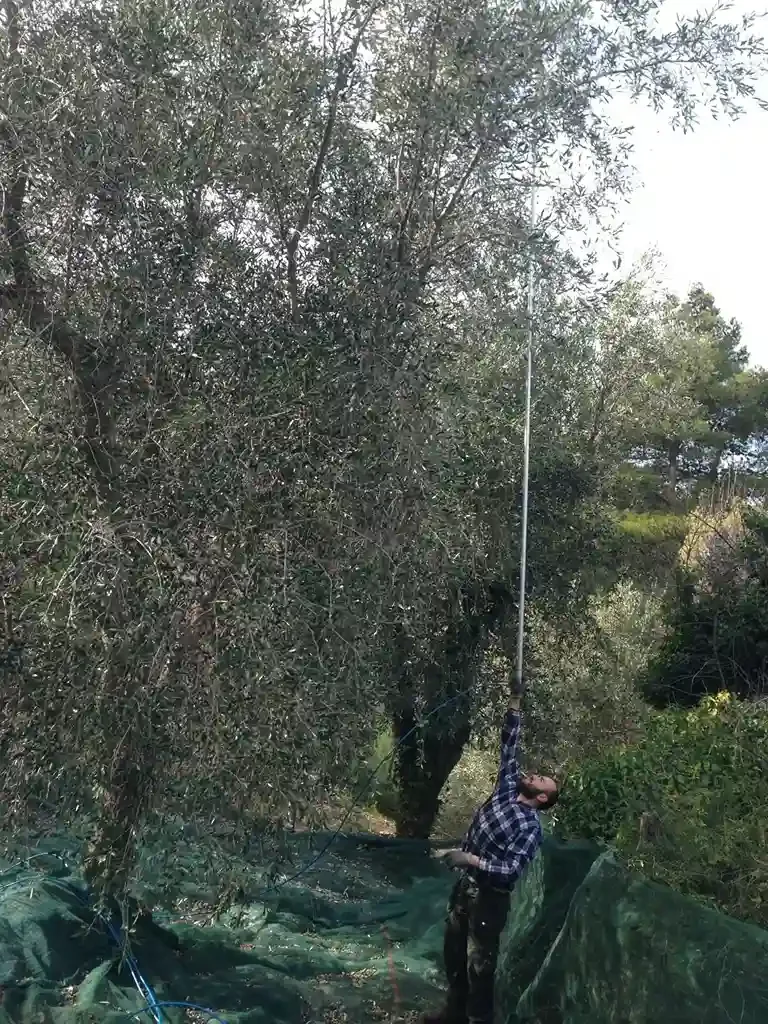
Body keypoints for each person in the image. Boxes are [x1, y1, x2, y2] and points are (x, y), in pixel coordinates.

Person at [423, 681, 558, 1024]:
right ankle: (452, 1015)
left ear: (542, 798)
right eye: (538, 775)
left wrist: (471, 859)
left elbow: (511, 870)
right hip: (465, 889)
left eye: (542, 780)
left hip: (489, 899)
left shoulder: (531, 827)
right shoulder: (506, 791)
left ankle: (476, 1021)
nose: (535, 774)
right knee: (453, 955)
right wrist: (515, 705)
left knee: (479, 967)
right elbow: (509, 749)